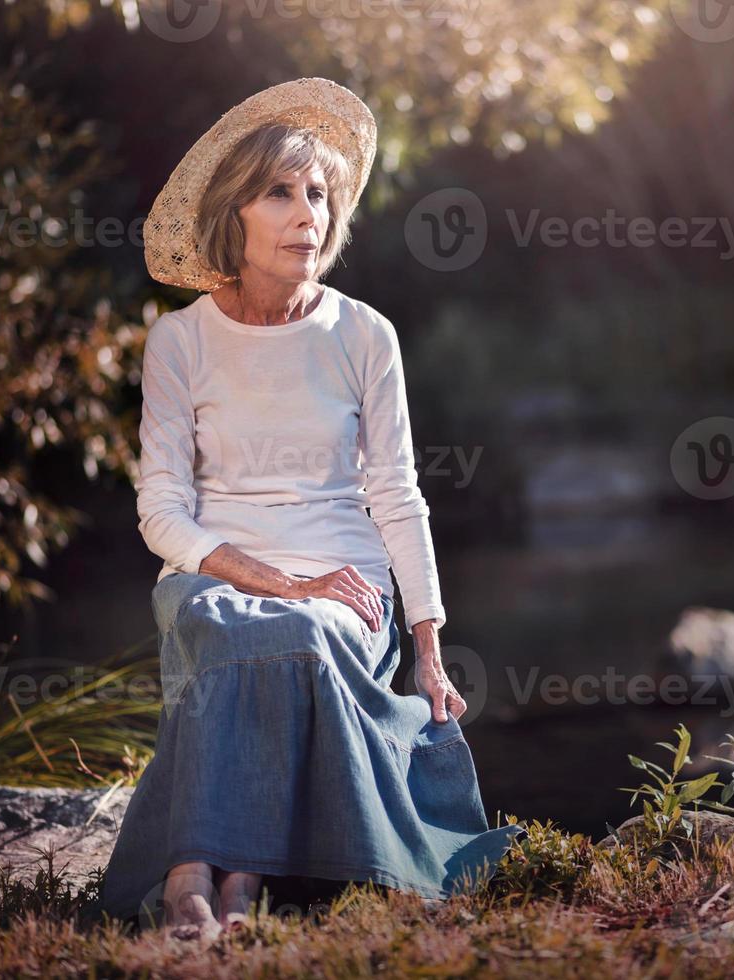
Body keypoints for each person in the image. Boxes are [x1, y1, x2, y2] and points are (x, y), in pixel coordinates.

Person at [93, 78, 522, 941]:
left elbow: (398, 494)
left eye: (319, 194)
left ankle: (219, 877)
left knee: (305, 633)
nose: (308, 215)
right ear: (235, 216)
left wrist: (429, 645)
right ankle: (209, 876)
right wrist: (275, 580)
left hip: (348, 585)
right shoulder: (179, 340)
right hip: (215, 571)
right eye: (280, 194)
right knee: (253, 624)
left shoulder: (365, 334)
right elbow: (160, 510)